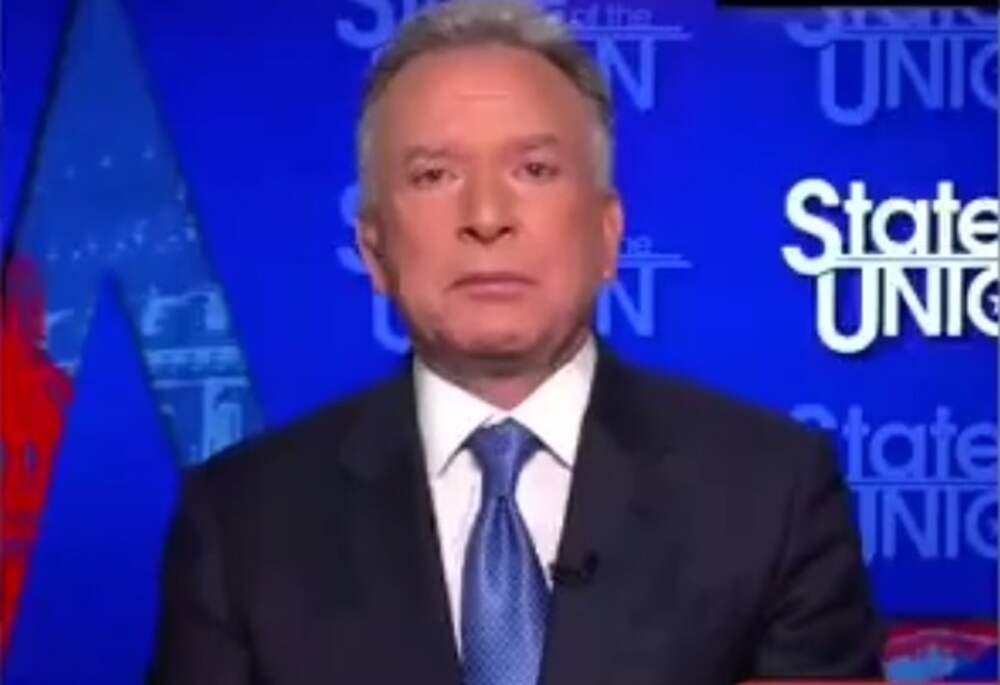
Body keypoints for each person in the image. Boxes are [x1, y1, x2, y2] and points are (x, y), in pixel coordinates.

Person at [148, 2, 884, 683]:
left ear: (608, 234)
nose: (487, 216)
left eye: (534, 170)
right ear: (374, 249)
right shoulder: (242, 521)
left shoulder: (770, 492)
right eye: (434, 175)